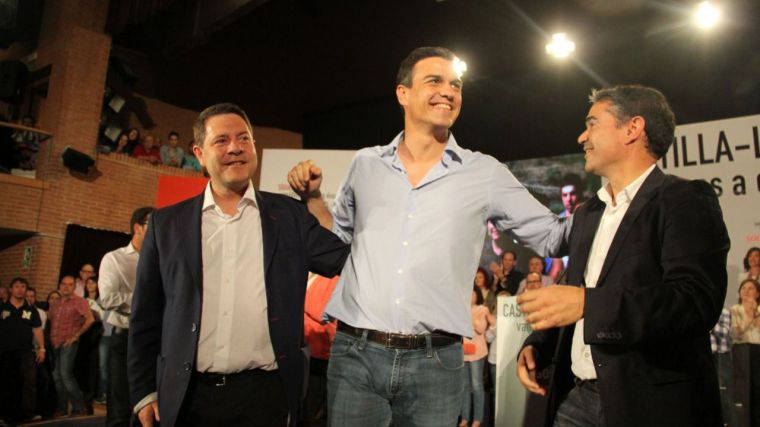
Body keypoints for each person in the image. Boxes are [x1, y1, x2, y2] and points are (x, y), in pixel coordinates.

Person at [287, 46, 569, 426]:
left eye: (456, 85)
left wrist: (615, 200)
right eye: (434, 81)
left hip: (436, 362)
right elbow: (336, 245)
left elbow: (552, 236)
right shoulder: (366, 164)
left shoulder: (483, 172)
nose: (449, 91)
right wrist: (314, 199)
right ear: (403, 93)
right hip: (355, 355)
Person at [516, 85, 729, 426]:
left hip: (650, 404)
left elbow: (693, 302)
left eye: (593, 123)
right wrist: (538, 344)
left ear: (633, 129)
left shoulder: (684, 199)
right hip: (576, 399)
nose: (581, 136)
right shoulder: (587, 213)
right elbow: (575, 290)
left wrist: (589, 303)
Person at [128, 103, 350, 427]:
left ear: (254, 148)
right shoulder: (167, 225)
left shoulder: (288, 216)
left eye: (243, 138)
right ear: (199, 153)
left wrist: (314, 198)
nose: (235, 148)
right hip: (188, 396)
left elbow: (344, 258)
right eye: (221, 141)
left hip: (267, 396)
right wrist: (144, 391)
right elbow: (145, 315)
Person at [100, 206, 154, 427]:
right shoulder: (115, 259)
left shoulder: (162, 259)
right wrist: (145, 302)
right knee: (119, 405)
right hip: (125, 338)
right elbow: (107, 298)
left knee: (150, 405)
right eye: (152, 225)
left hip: (153, 339)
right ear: (137, 228)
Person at [0, 277, 45, 423]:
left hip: (26, 351)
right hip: (5, 351)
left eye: (23, 286)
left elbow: (37, 329)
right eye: (17, 286)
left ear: (26, 290)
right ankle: (4, 414)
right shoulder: (2, 308)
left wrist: (42, 348)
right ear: (11, 289)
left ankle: (28, 413)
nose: (20, 289)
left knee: (29, 383)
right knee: (6, 383)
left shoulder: (31, 310)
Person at [49, 275, 94, 417]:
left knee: (65, 375)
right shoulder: (56, 302)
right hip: (54, 342)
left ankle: (79, 406)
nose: (66, 287)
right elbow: (52, 320)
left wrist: (76, 335)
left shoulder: (79, 301)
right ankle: (61, 408)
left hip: (68, 342)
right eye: (63, 284)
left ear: (74, 287)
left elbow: (90, 319)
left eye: (69, 284)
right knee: (56, 377)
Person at [459, 269, 494, 427]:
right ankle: (465, 418)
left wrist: (468, 318)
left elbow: (480, 329)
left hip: (477, 351)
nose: (470, 295)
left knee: (477, 385)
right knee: (465, 387)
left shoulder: (483, 309)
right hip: (464, 351)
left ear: (477, 294)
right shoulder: (461, 310)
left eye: (472, 293)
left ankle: (478, 419)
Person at [731, 278, 760, 427]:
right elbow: (737, 334)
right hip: (741, 350)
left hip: (757, 349)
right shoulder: (735, 309)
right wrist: (749, 316)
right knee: (743, 387)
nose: (746, 291)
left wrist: (755, 312)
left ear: (757, 293)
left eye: (750, 288)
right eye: (743, 288)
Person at [711, 307, 738, 427]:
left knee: (725, 395)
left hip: (721, 356)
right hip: (706, 356)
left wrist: (708, 323)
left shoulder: (723, 311)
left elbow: (723, 333)